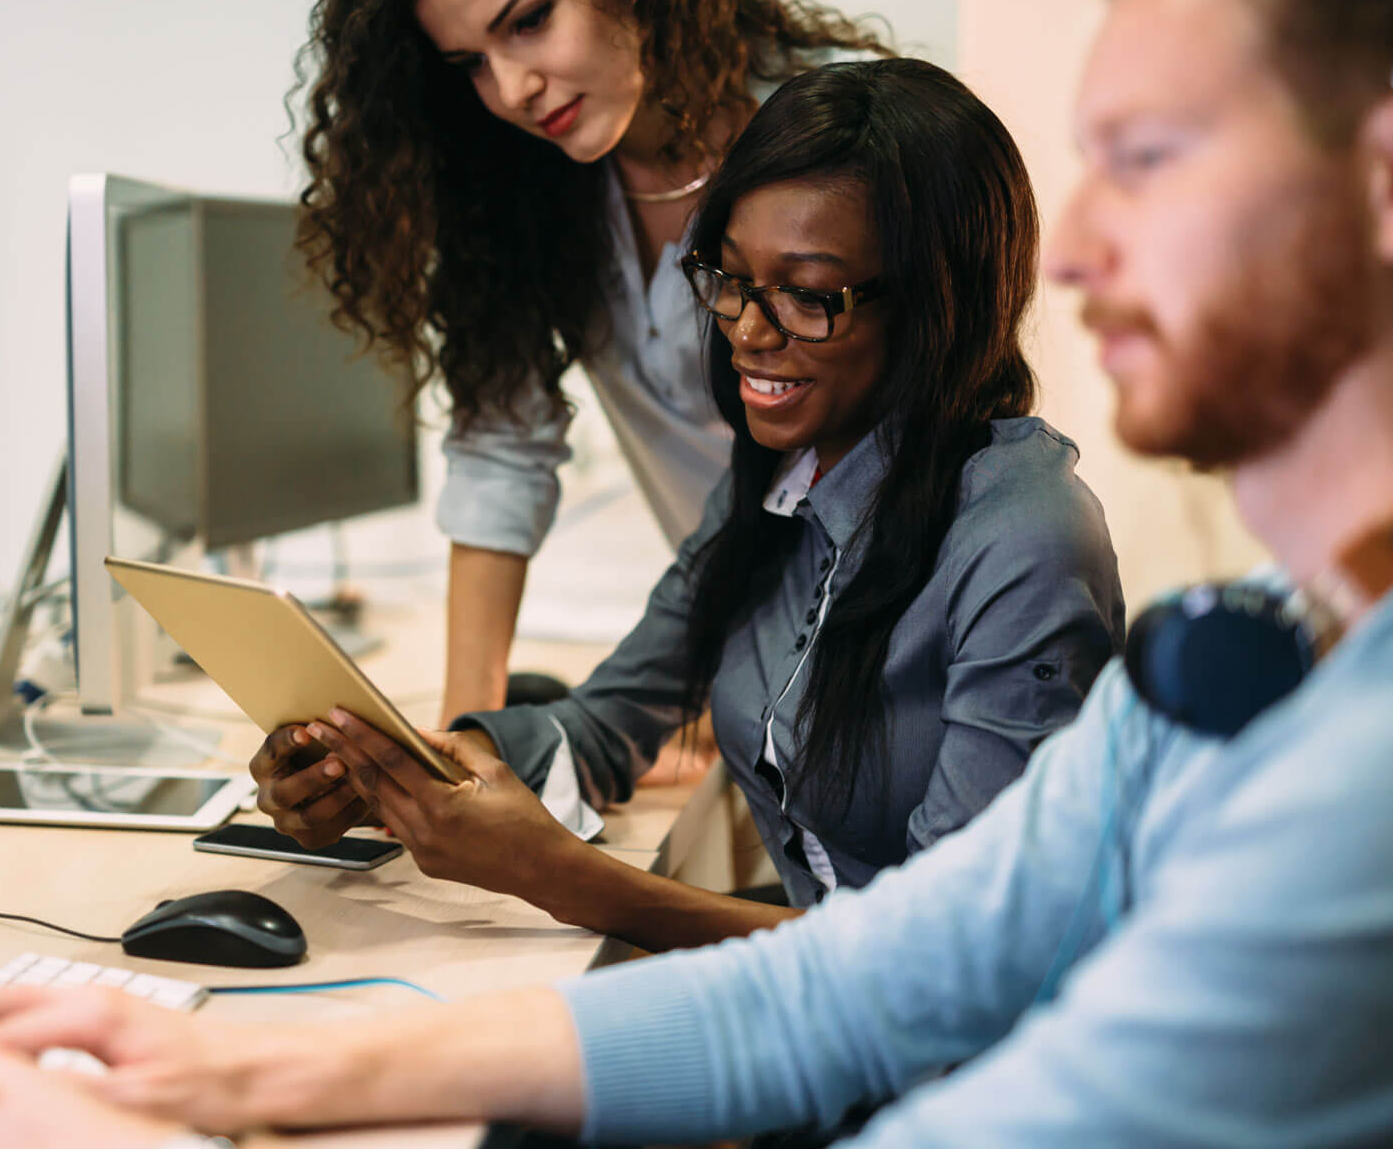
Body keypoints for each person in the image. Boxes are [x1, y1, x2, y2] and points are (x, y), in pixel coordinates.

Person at [0, 0, 1393, 1144]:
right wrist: (231, 1073)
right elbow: (849, 988)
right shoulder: (1233, 657)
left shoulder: (1317, 763)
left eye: (1153, 157)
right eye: (729, 289)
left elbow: (952, 1043)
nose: (1083, 246)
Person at [263, 57, 1124, 951]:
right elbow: (603, 728)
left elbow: (952, 953)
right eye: (733, 278)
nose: (750, 330)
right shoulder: (780, 481)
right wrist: (387, 775)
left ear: (939, 305)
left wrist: (565, 878)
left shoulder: (1025, 541)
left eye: (807, 294)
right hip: (818, 1023)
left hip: (956, 1066)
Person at [293, 0, 888, 726]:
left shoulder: (847, 134)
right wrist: (467, 743)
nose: (511, 90)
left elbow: (927, 440)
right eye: (471, 65)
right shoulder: (536, 194)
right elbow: (503, 449)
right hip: (741, 653)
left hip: (897, 655)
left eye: (530, 22)